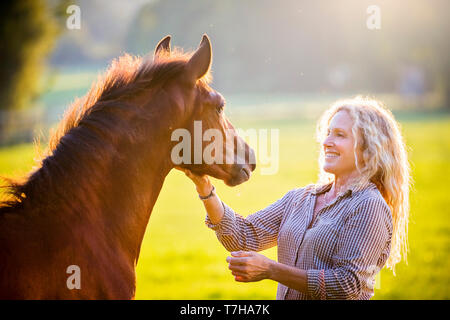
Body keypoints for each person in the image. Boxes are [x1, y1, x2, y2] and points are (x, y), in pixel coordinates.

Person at [183, 97, 410, 300]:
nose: (327, 142)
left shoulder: (369, 205)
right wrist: (204, 187)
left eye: (339, 135)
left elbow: (347, 285)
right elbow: (244, 236)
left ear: (369, 149)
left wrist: (271, 270)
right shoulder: (300, 198)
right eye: (328, 133)